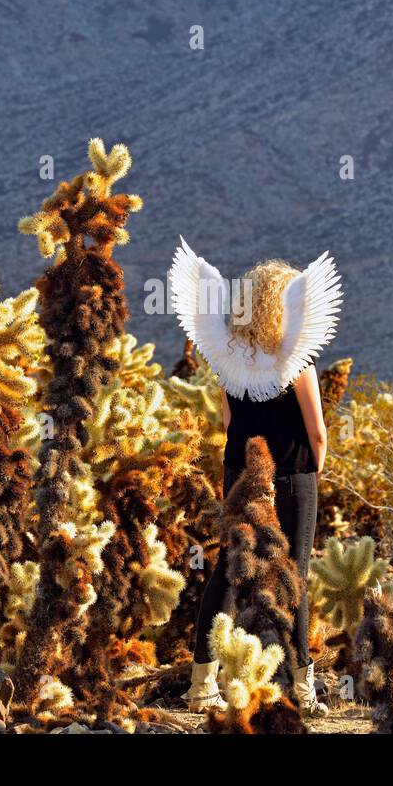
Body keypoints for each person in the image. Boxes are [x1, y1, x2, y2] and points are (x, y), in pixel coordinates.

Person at [167, 239, 342, 718]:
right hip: (292, 475)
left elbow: (228, 420)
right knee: (294, 573)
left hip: (239, 473)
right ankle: (302, 689)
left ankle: (202, 681)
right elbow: (318, 432)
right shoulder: (295, 361)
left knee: (228, 568)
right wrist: (311, 473)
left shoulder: (229, 359)